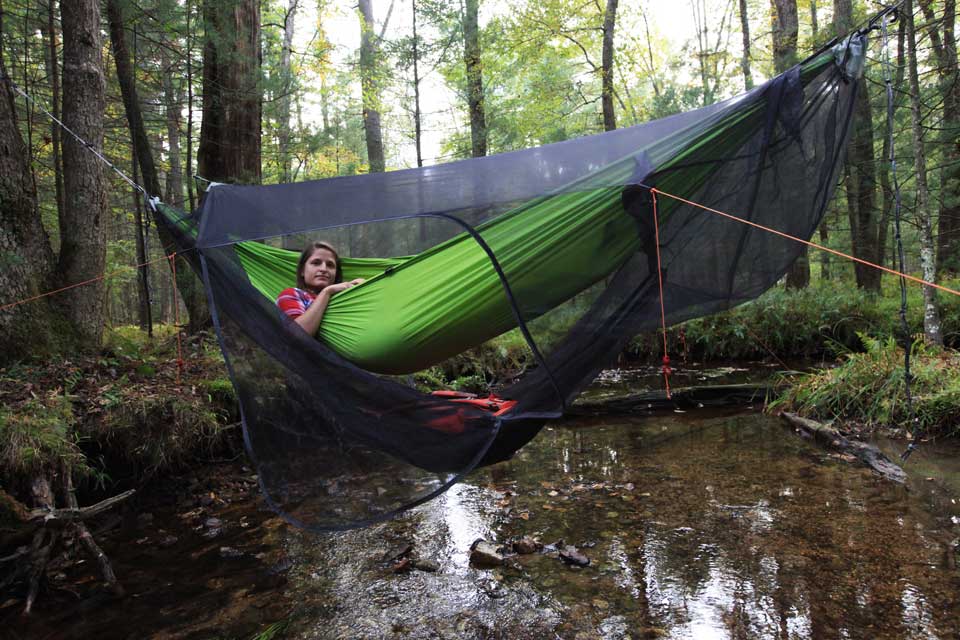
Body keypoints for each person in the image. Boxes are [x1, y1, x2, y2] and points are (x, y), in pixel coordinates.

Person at [276, 241, 364, 336]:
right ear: (302, 270)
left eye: (330, 265)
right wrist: (327, 292)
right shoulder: (291, 294)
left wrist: (363, 290)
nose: (323, 269)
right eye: (316, 263)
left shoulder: (343, 298)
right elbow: (298, 334)